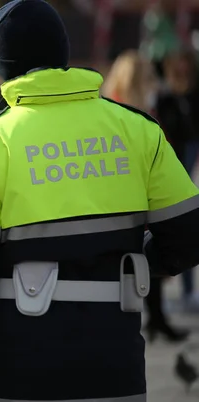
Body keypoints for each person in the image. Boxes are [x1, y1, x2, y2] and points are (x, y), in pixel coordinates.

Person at [0, 1, 199, 402]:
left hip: (15, 372)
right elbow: (188, 238)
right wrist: (136, 260)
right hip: (115, 367)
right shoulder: (137, 130)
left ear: (2, 63)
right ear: (63, 51)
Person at [103, 50, 190, 343]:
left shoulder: (137, 107)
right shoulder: (121, 111)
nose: (155, 83)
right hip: (130, 197)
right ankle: (151, 320)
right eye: (149, 78)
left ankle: (156, 319)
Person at [156, 49, 199, 311]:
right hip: (173, 153)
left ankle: (188, 290)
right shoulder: (165, 95)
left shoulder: (194, 92)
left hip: (187, 152)